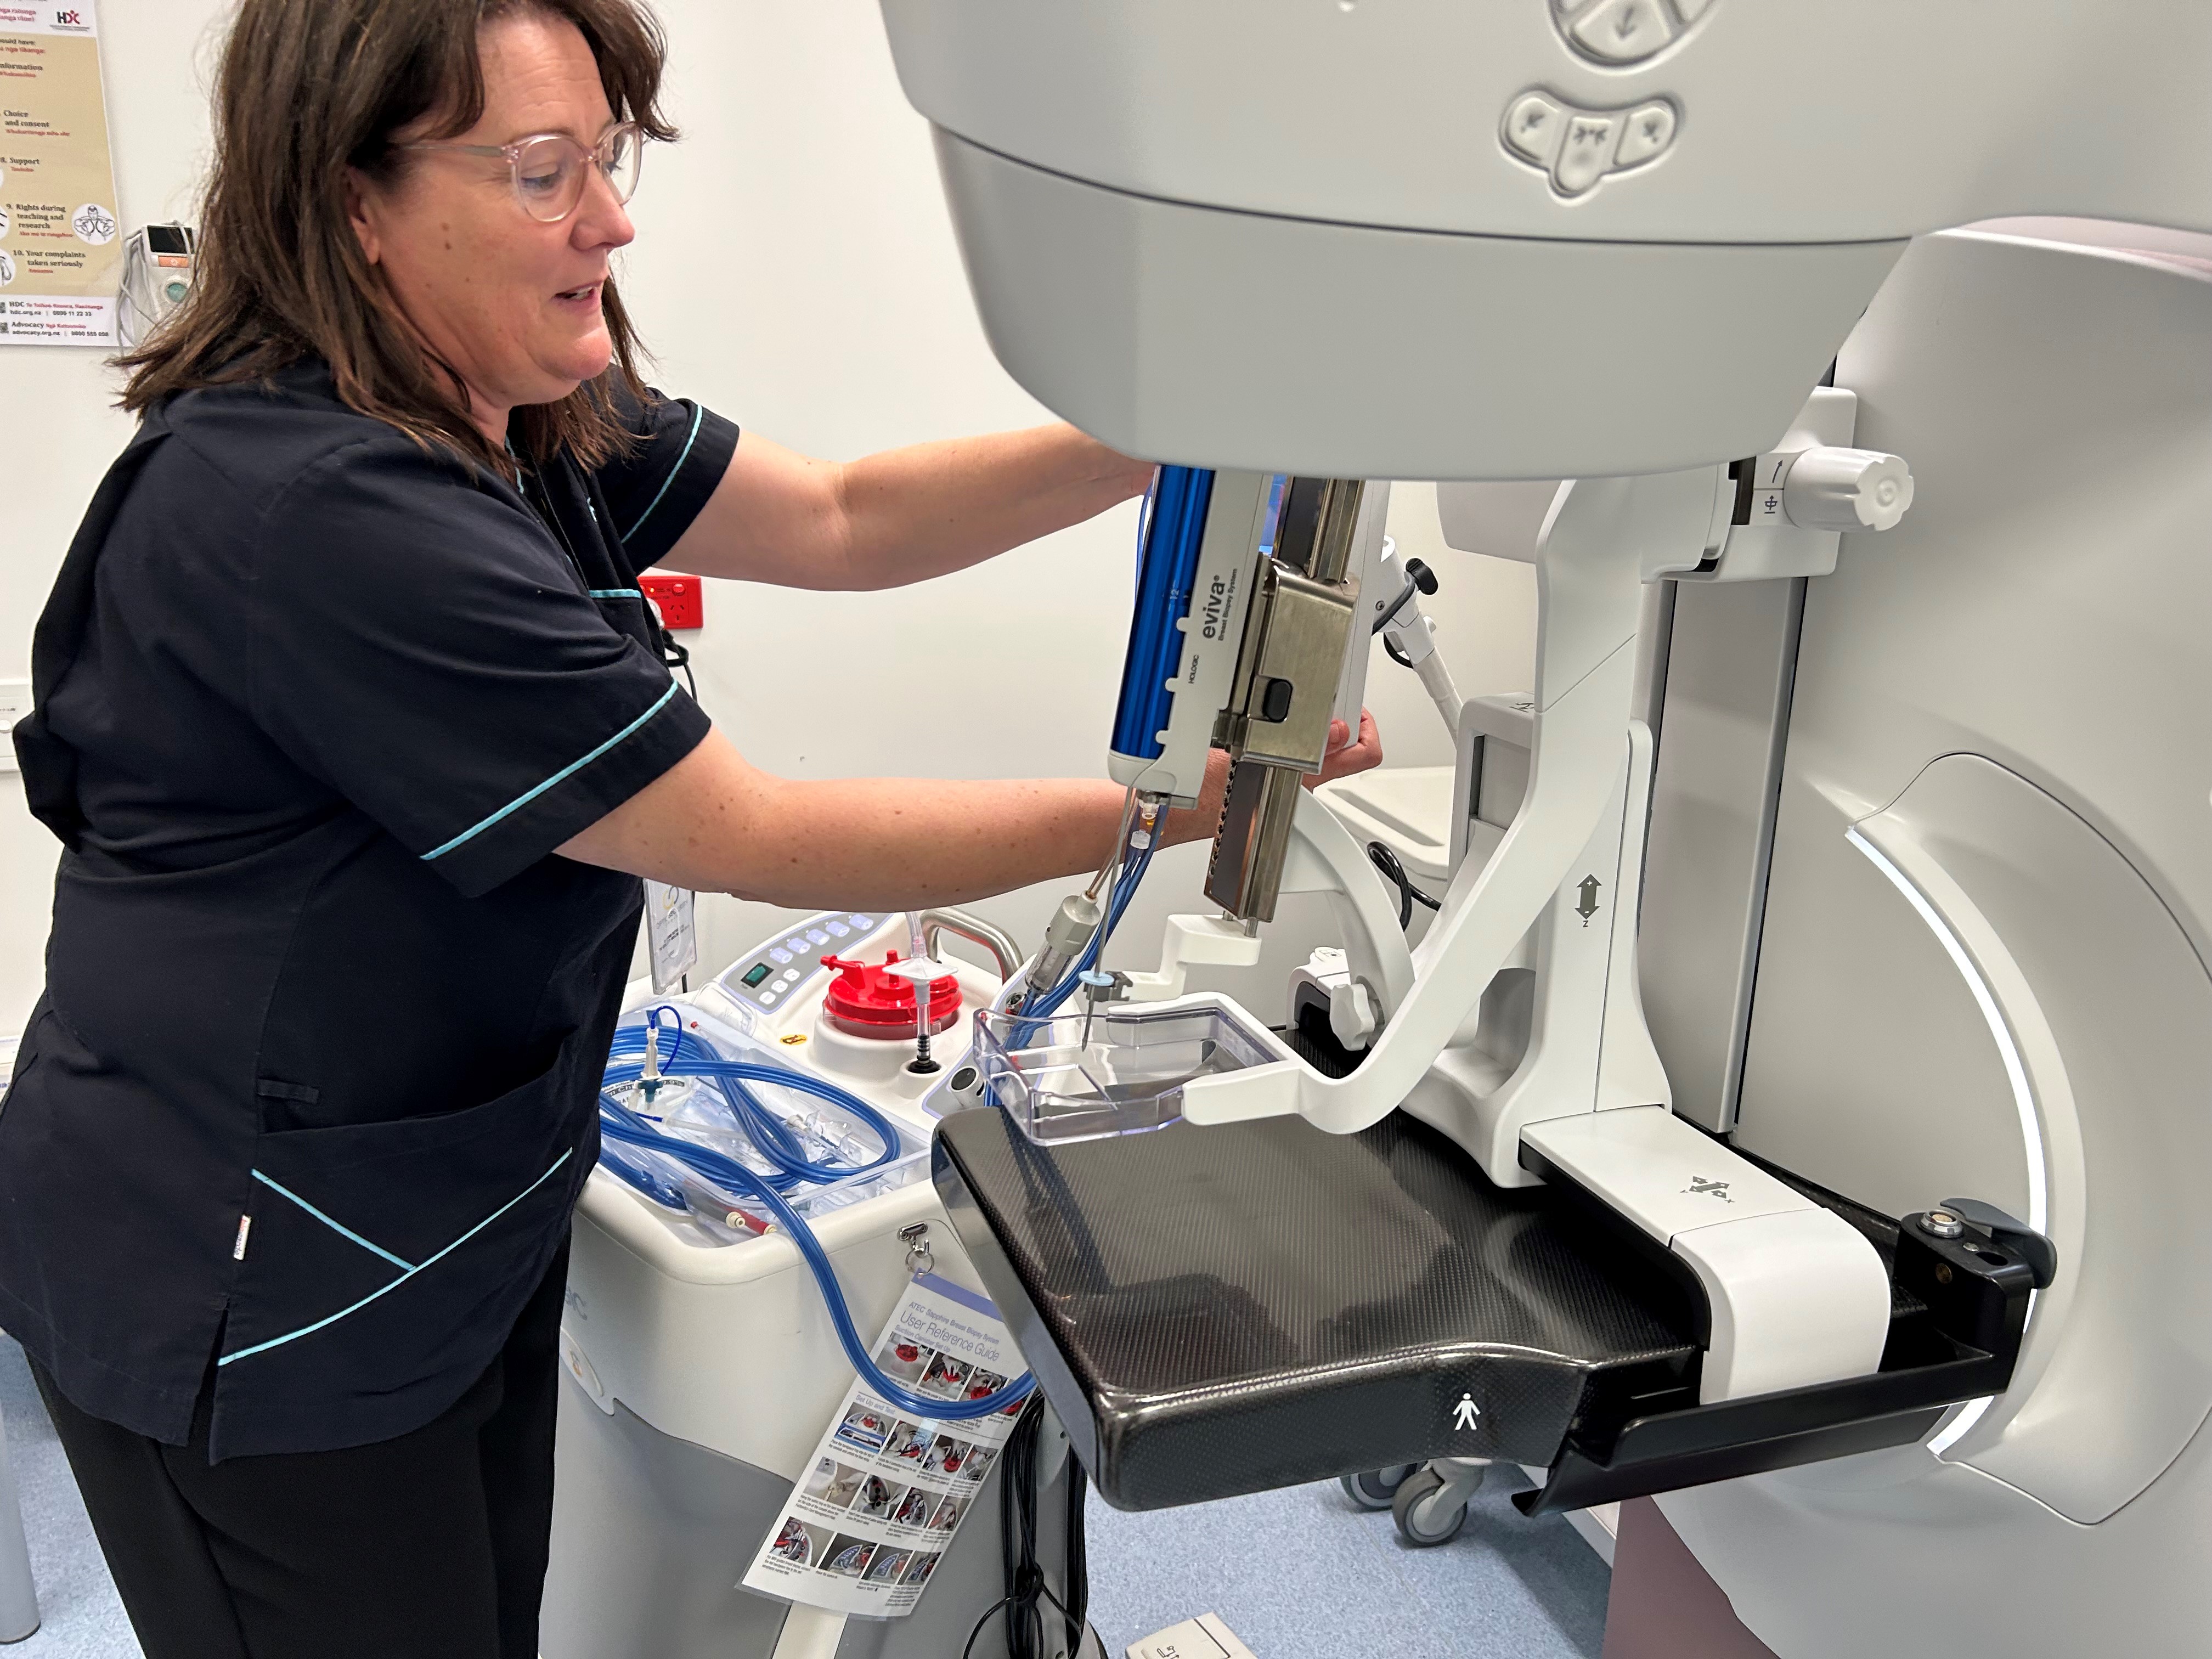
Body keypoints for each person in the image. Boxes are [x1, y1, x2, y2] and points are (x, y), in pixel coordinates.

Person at [0, 3, 1382, 1657]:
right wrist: (1176, 811)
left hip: (439, 1211)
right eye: (539, 170)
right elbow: (755, 826)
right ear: (351, 201)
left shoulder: (521, 410)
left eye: (606, 156)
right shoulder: (323, 517)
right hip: (249, 1285)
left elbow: (845, 518)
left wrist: (1162, 438)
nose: (610, 217)